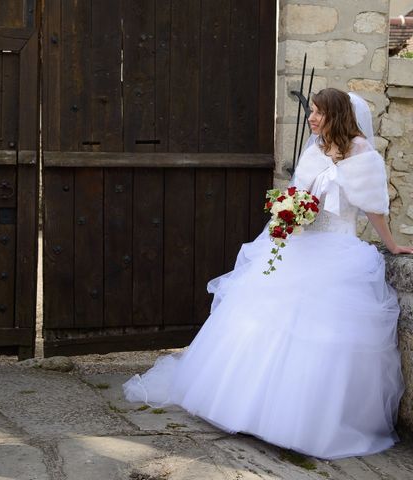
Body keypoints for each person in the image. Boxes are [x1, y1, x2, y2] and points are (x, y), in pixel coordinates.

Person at [124, 88, 413, 459]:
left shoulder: (363, 155)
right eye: (311, 111)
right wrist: (289, 216)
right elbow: (298, 195)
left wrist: (391, 245)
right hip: (302, 248)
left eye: (318, 112)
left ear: (337, 114)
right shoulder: (315, 150)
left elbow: (373, 209)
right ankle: (243, 407)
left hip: (340, 252)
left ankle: (307, 424)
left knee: (324, 337)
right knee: (262, 321)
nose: (311, 118)